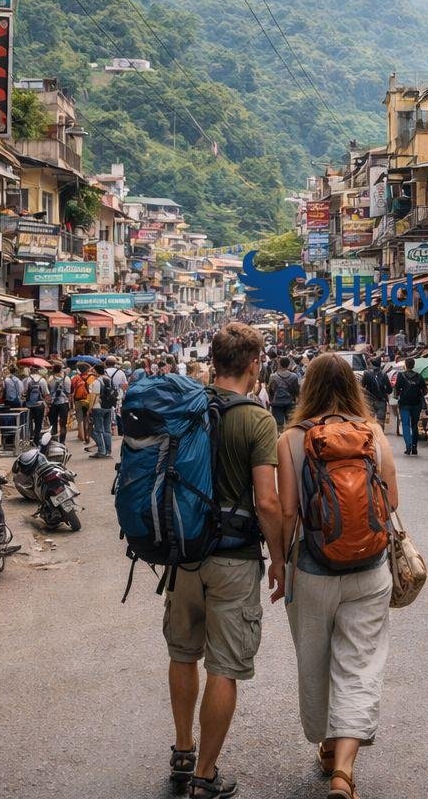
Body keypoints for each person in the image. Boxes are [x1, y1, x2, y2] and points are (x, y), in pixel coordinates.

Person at [164, 323, 285, 798]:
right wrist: (278, 559)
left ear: (213, 361)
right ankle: (205, 775)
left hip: (184, 553)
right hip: (234, 558)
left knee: (182, 653)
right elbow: (269, 502)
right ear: (254, 364)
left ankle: (181, 750)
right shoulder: (257, 419)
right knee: (224, 666)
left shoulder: (186, 407)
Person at [276, 353, 399, 799]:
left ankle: (327, 745)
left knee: (315, 660)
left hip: (310, 568)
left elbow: (288, 512)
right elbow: (394, 502)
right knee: (360, 663)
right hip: (370, 568)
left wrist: (278, 563)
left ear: (307, 388)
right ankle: (344, 770)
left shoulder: (290, 438)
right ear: (354, 386)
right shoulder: (374, 434)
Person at [393, 357, 427, 455]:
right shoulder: (419, 376)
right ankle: (414, 447)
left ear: (406, 365)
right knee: (414, 425)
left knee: (405, 425)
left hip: (404, 404)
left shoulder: (401, 375)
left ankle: (408, 446)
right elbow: (424, 391)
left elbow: (397, 389)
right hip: (416, 404)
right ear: (413, 365)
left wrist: (396, 396)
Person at [267, 356, 302, 430]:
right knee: (290, 424)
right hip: (290, 402)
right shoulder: (294, 376)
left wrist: (271, 400)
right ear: (289, 364)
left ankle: (280, 437)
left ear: (279, 364)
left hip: (277, 403)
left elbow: (270, 390)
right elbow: (296, 390)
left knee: (278, 425)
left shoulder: (273, 376)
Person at [71, 363, 97, 444]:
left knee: (80, 419)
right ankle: (87, 436)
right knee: (87, 418)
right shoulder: (92, 377)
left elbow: (72, 389)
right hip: (88, 399)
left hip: (78, 399)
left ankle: (81, 436)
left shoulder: (75, 378)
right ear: (87, 369)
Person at [23, 365, 47, 446]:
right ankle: (36, 440)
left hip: (29, 405)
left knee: (28, 423)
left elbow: (24, 392)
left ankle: (29, 439)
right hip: (39, 405)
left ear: (31, 369)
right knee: (38, 423)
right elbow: (45, 393)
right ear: (38, 370)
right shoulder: (42, 380)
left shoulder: (27, 380)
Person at [361, 359, 390, 425]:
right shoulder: (384, 375)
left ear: (372, 364)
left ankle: (371, 434)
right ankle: (379, 434)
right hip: (381, 401)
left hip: (369, 400)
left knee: (370, 421)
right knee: (380, 421)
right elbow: (389, 390)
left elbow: (362, 387)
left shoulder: (366, 374)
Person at [48, 366, 71, 442]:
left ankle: (54, 441)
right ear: (61, 370)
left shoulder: (50, 379)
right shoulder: (66, 379)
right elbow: (68, 393)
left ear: (53, 370)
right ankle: (62, 442)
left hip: (53, 403)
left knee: (53, 423)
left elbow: (48, 392)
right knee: (63, 424)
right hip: (63, 403)